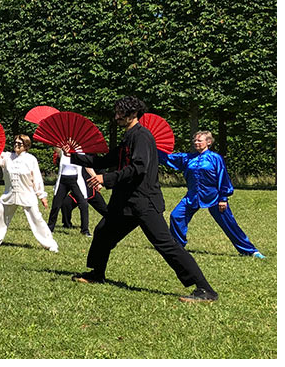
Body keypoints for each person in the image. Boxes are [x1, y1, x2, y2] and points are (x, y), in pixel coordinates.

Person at [69, 96, 218, 303]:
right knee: (103, 232)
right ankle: (96, 274)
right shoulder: (129, 136)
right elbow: (106, 159)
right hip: (125, 203)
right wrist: (73, 156)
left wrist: (107, 178)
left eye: (120, 113)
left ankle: (205, 290)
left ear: (132, 114)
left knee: (166, 245)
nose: (116, 117)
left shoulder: (142, 137)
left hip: (144, 202)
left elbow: (139, 168)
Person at [158, 131, 264, 259]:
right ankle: (177, 246)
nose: (196, 143)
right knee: (176, 215)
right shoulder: (188, 158)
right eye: (195, 140)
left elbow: (223, 177)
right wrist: (151, 146)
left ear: (208, 142)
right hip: (192, 197)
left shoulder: (215, 158)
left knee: (229, 224)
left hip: (214, 197)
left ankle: (250, 251)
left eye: (199, 140)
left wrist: (223, 198)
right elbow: (168, 158)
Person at [0, 135, 60, 252]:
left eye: (19, 144)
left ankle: (50, 244)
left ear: (26, 146)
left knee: (36, 218)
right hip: (9, 194)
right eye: (15, 143)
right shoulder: (7, 157)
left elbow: (37, 178)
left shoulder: (31, 159)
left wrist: (41, 195)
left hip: (27, 194)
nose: (16, 145)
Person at [47, 147, 90, 236]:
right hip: (63, 180)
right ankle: (49, 228)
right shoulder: (62, 151)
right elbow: (57, 150)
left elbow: (85, 164)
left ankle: (85, 230)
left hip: (75, 180)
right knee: (56, 205)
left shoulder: (80, 151)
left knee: (83, 204)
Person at [60, 166, 108, 234]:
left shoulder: (90, 159)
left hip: (91, 190)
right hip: (78, 191)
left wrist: (98, 183)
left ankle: (115, 221)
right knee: (65, 204)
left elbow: (99, 171)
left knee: (106, 211)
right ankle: (67, 224)